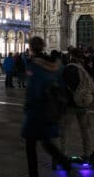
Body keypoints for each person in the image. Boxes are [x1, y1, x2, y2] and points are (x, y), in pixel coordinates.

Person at [20, 37, 73, 177]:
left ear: (31, 48)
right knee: (47, 142)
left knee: (31, 145)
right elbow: (61, 84)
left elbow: (34, 89)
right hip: (51, 109)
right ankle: (67, 165)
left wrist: (27, 106)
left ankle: (35, 174)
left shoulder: (35, 65)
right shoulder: (55, 64)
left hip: (37, 111)